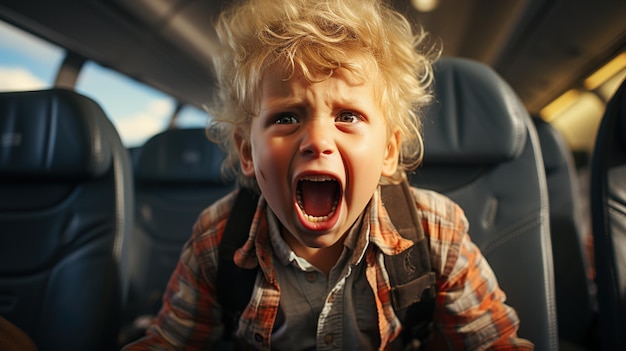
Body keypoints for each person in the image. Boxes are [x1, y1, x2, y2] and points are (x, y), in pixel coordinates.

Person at [122, 0, 534, 349]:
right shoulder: (217, 238)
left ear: (388, 151)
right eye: (286, 117)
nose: (317, 141)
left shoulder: (435, 232)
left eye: (348, 116)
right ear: (247, 151)